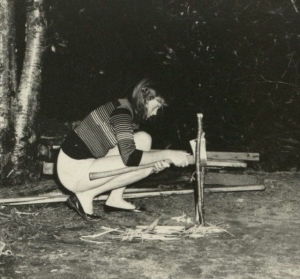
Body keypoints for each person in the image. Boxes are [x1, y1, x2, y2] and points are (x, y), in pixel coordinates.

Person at [57, 78, 189, 221]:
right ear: (144, 98)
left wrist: (159, 160)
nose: (156, 113)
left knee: (143, 139)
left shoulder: (124, 106)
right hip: (73, 172)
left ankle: (115, 199)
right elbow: (130, 158)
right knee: (142, 166)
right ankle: (84, 195)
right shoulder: (122, 113)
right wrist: (167, 154)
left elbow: (133, 152)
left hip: (83, 163)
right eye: (156, 106)